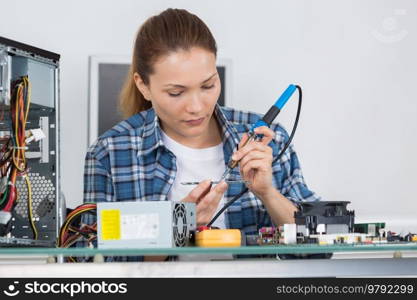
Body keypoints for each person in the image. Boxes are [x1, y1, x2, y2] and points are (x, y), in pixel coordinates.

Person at [82, 8, 320, 261]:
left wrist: (267, 193)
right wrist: (179, 227)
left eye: (208, 86)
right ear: (143, 85)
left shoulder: (267, 139)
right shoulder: (111, 152)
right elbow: (96, 268)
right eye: (176, 93)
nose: (196, 106)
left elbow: (316, 251)